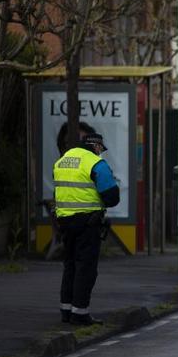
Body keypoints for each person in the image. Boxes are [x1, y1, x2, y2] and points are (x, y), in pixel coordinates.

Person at [53, 128, 120, 325]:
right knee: (86, 267)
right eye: (100, 148)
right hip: (87, 223)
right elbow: (112, 197)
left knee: (70, 265)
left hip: (65, 222)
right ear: (96, 146)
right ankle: (80, 313)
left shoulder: (63, 160)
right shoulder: (95, 163)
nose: (101, 152)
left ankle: (66, 310)